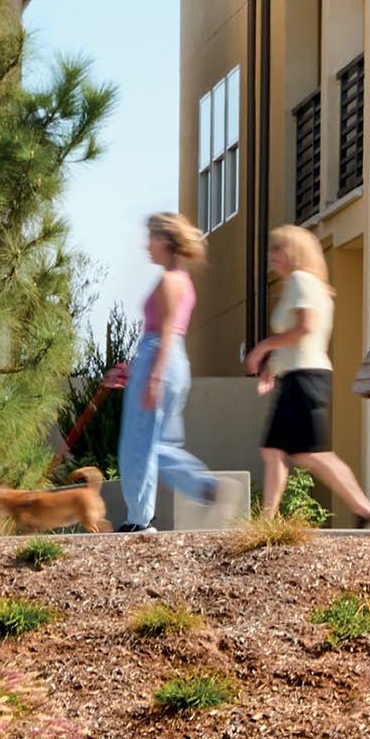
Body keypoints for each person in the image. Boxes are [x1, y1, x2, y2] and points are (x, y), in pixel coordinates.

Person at [246, 224, 370, 526]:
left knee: (313, 454)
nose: (272, 255)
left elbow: (305, 328)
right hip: (296, 377)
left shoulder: (302, 281)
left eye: (278, 248)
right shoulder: (299, 285)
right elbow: (298, 340)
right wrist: (272, 368)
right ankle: (267, 522)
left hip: (306, 379)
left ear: (295, 252)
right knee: (273, 450)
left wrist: (262, 348)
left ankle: (368, 512)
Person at [107, 212, 219, 531]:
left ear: (164, 239)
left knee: (136, 444)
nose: (147, 246)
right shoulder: (184, 281)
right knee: (158, 444)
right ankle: (199, 484)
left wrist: (153, 376)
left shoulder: (169, 280)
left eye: (151, 238)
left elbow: (166, 330)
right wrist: (138, 371)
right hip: (174, 362)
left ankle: (139, 520)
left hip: (159, 356)